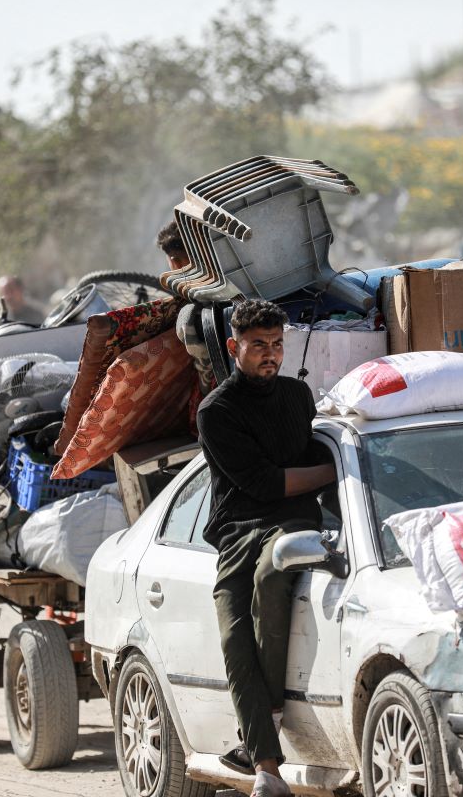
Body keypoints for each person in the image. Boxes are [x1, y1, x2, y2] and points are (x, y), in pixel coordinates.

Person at [196, 299, 336, 797]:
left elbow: (313, 452)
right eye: (259, 346)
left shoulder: (298, 396)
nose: (270, 355)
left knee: (272, 577)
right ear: (236, 347)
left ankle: (265, 756)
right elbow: (260, 483)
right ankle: (267, 770)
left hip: (291, 521)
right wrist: (331, 472)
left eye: (277, 344)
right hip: (237, 529)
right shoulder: (216, 411)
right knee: (234, 637)